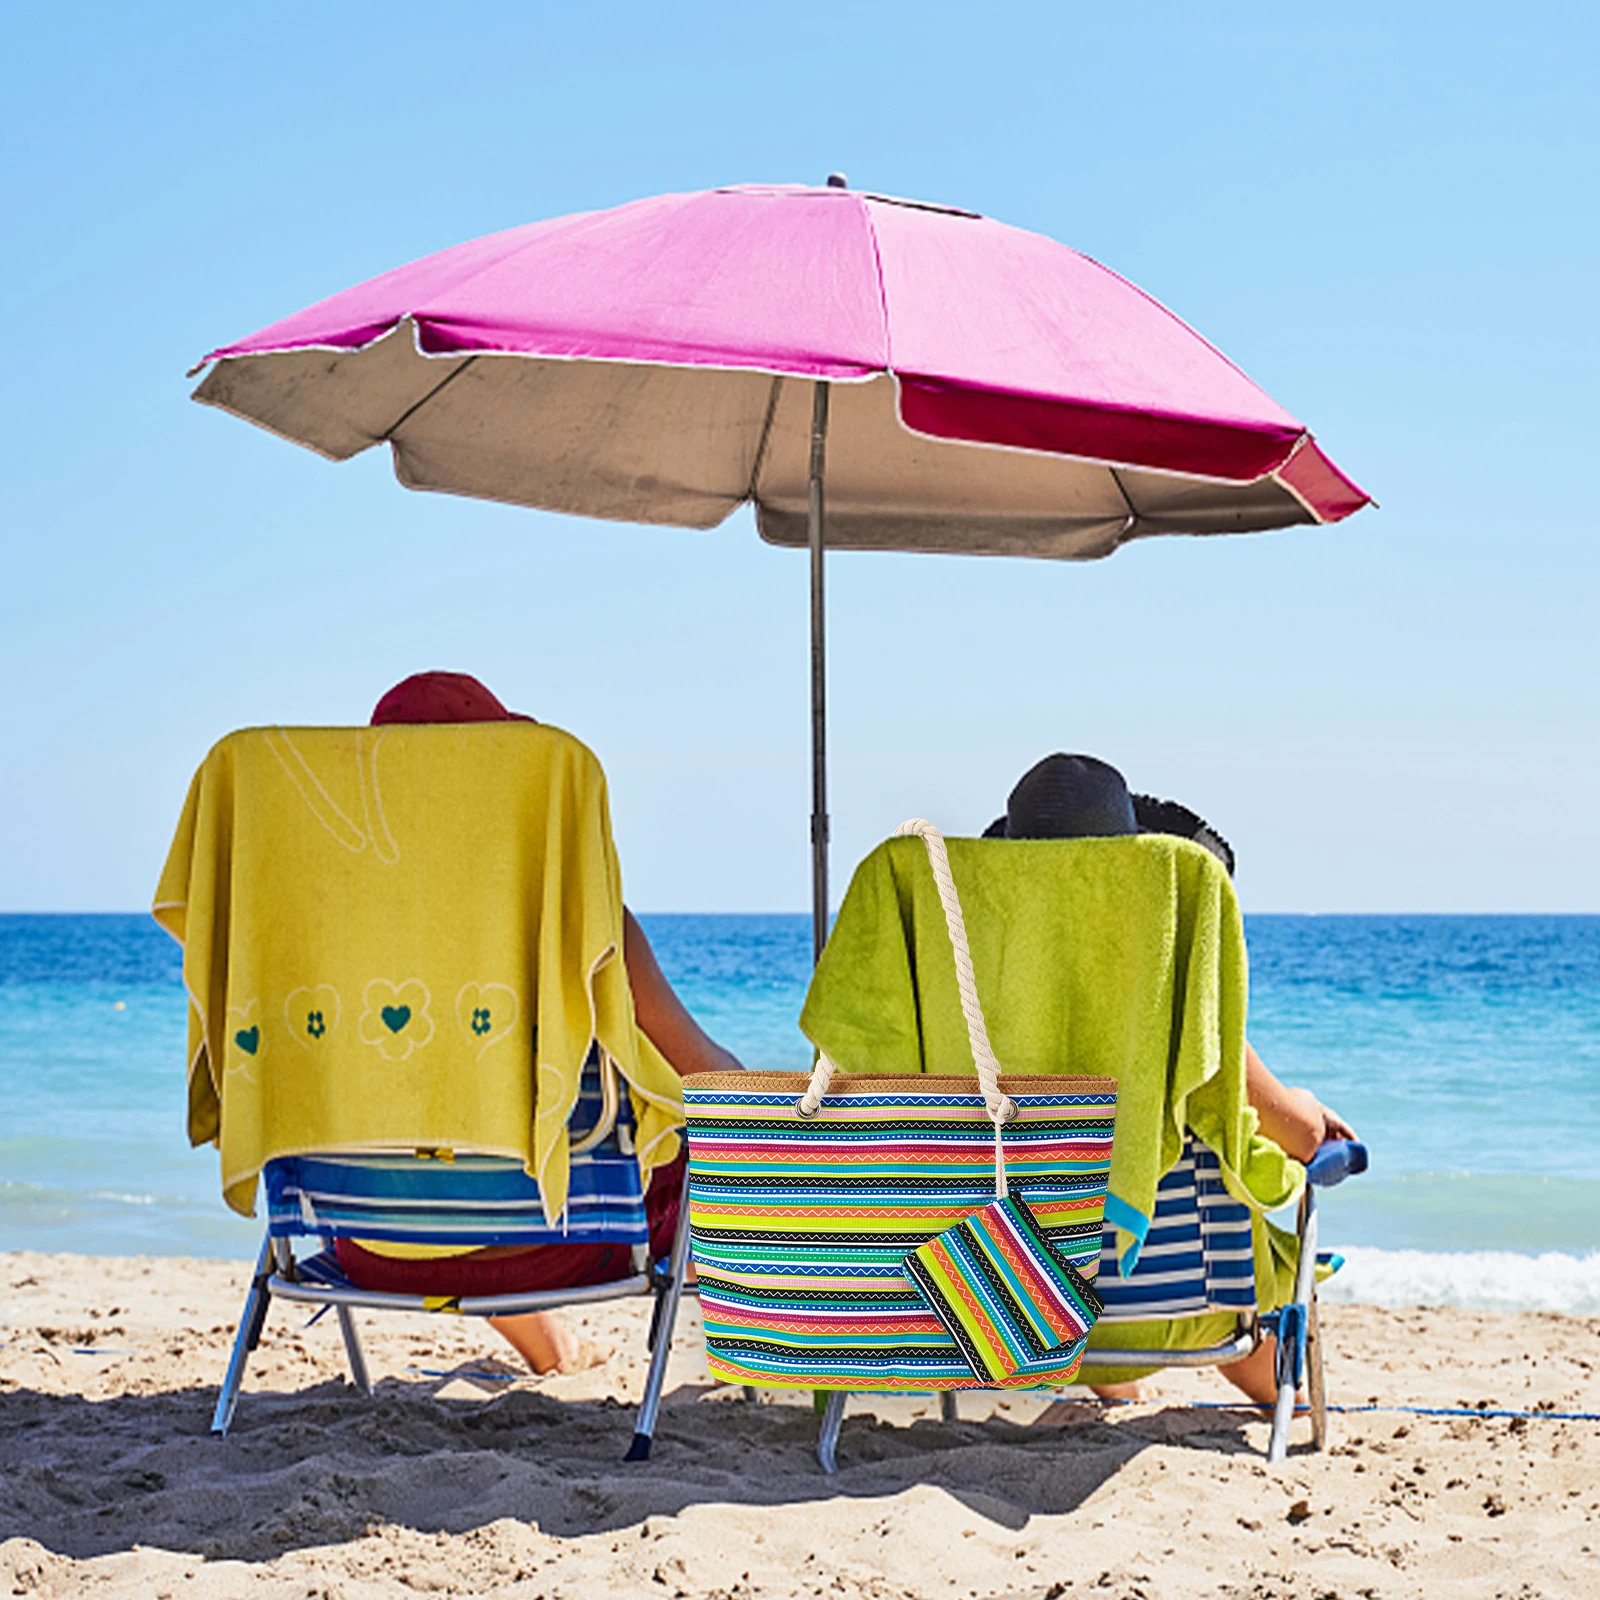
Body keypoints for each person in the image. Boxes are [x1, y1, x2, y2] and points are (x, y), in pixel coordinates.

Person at [333, 671, 743, 1375]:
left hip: (370, 1243)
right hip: (556, 1245)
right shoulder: (580, 919)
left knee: (451, 1156)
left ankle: (553, 1349)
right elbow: (707, 1075)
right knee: (703, 1151)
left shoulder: (325, 943)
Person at [987, 752, 1356, 1404]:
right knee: (1222, 1272)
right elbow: (1301, 1139)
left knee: (1076, 1234)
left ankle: (1116, 1393)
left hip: (1007, 1312)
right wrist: (1305, 1108)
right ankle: (1289, 1401)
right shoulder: (1181, 1019)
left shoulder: (975, 1023)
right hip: (1182, 1307)